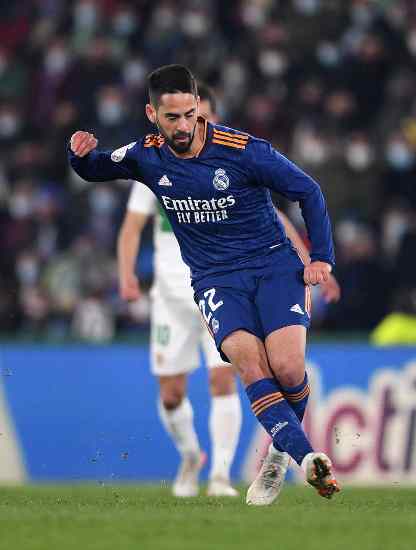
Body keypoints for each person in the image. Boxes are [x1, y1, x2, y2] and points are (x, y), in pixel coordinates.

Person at [69, 64, 340, 504]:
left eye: (190, 114)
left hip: (273, 267)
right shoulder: (146, 155)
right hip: (215, 281)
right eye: (171, 117)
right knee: (251, 367)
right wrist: (77, 155)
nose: (183, 125)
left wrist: (323, 257)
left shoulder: (244, 150)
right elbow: (96, 168)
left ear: (199, 108)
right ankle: (306, 458)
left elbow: (308, 190)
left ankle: (276, 456)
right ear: (152, 114)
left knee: (288, 370)